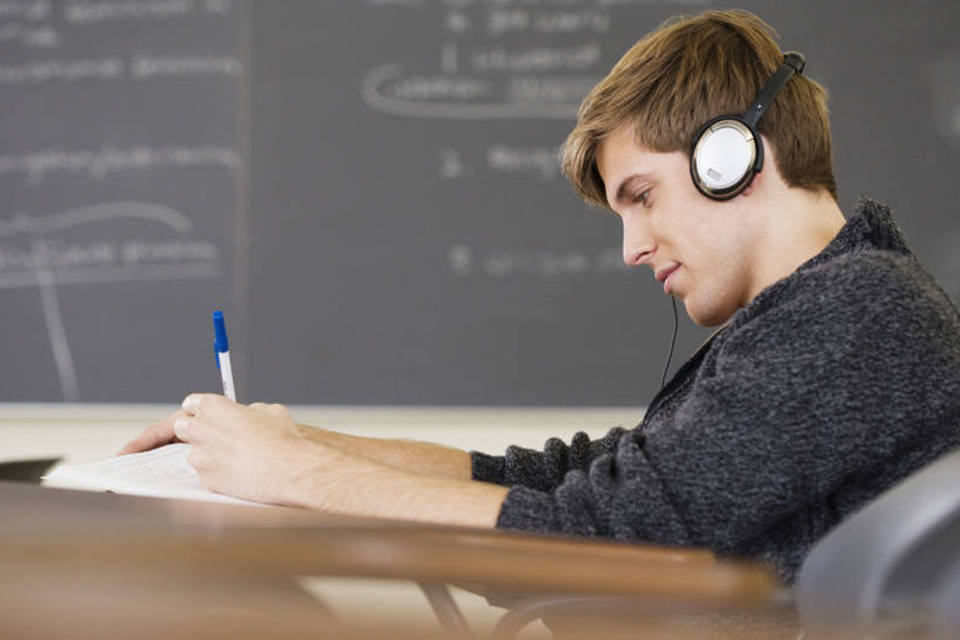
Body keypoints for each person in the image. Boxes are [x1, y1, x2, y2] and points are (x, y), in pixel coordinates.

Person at [119, 10, 960, 583]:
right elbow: (580, 478)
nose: (632, 248)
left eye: (640, 196)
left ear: (733, 157)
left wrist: (296, 475)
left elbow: (613, 536)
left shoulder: (856, 313)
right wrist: (300, 444)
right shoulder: (818, 315)